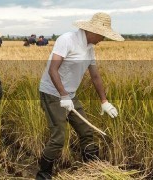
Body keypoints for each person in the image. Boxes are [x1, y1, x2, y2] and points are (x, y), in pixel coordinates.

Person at [37, 12, 124, 179]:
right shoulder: (67, 40)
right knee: (58, 138)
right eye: (103, 35)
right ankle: (43, 174)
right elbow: (52, 69)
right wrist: (63, 95)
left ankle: (91, 170)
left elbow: (95, 76)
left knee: (86, 132)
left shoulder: (89, 48)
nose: (103, 39)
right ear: (93, 32)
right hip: (52, 93)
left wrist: (104, 101)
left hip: (70, 94)